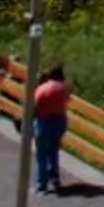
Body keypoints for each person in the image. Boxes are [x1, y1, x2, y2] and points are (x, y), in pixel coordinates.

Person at [31, 65, 71, 195]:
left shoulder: (41, 89)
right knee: (53, 151)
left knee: (41, 154)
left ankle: (42, 185)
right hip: (60, 121)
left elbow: (35, 108)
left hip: (44, 122)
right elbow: (67, 100)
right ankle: (55, 179)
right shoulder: (64, 87)